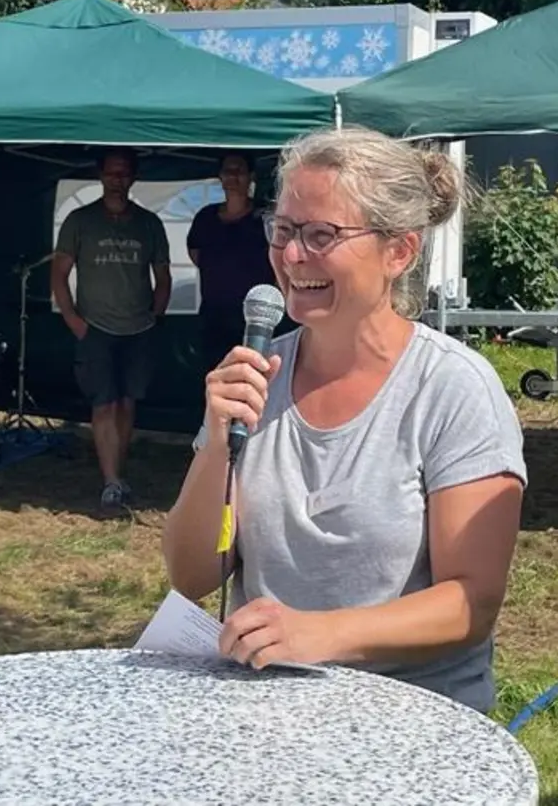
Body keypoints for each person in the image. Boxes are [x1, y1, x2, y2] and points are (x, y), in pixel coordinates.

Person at [161, 126, 527, 714]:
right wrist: (213, 446)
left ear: (399, 252)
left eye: (322, 234)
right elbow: (190, 573)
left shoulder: (454, 388)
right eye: (282, 231)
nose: (293, 255)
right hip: (267, 715)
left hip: (416, 723)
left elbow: (471, 602)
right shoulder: (257, 376)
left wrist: (319, 634)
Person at [52, 148, 172, 517]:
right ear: (100, 176)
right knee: (103, 403)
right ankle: (110, 482)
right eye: (112, 173)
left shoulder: (149, 223)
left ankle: (117, 475)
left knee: (126, 402)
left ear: (133, 178)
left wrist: (156, 313)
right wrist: (73, 320)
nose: (118, 181)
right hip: (97, 328)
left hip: (138, 327)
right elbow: (58, 274)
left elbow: (163, 276)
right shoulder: (79, 220)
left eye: (124, 174)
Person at [187, 151, 277, 373]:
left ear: (251, 176)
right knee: (216, 379)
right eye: (228, 171)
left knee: (254, 378)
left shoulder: (264, 218)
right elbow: (195, 253)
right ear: (220, 176)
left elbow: (280, 261)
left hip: (257, 319)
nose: (233, 177)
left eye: (239, 171)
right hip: (214, 317)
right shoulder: (205, 217)